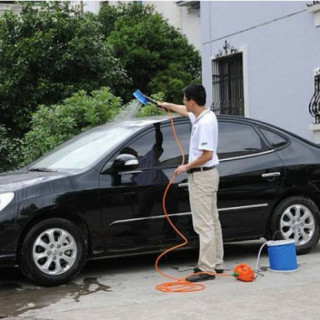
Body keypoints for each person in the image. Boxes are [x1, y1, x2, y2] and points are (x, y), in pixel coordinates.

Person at [158, 84, 224, 282]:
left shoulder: (204, 124)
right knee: (213, 222)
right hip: (210, 175)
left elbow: (207, 155)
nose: (183, 102)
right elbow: (184, 111)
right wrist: (167, 105)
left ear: (192, 102)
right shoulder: (204, 115)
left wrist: (185, 167)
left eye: (185, 99)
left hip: (202, 176)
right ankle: (216, 263)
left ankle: (206, 269)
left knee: (204, 225)